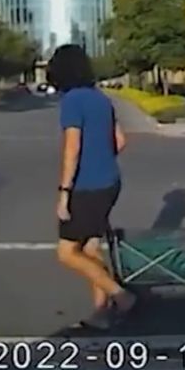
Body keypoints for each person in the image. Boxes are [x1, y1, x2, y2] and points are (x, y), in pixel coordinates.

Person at [47, 44, 136, 329]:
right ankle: (101, 314)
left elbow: (72, 148)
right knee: (91, 249)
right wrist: (101, 155)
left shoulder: (72, 101)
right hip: (110, 182)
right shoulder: (101, 99)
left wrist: (64, 192)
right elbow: (120, 140)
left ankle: (121, 297)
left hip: (87, 187)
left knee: (67, 253)